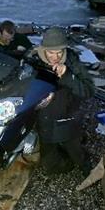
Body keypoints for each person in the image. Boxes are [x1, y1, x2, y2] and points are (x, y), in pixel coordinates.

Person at [33, 28, 95, 176]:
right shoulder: (34, 61)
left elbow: (89, 90)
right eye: (51, 53)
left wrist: (67, 75)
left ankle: (83, 159)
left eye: (60, 53)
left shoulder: (72, 62)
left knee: (80, 159)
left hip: (69, 117)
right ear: (43, 50)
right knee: (50, 167)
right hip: (45, 121)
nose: (55, 57)